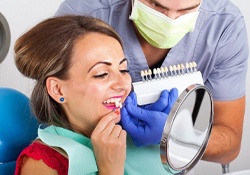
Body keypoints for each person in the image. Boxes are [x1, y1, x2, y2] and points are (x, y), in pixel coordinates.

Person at [55, 0, 249, 165]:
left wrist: (175, 135)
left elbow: (229, 146)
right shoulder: (83, 15)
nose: (171, 21)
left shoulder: (224, 26)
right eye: (156, 5)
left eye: (186, 10)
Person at [14, 15, 177, 175]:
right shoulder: (41, 164)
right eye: (101, 74)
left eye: (123, 70)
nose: (122, 85)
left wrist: (174, 139)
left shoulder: (136, 137)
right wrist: (109, 169)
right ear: (58, 90)